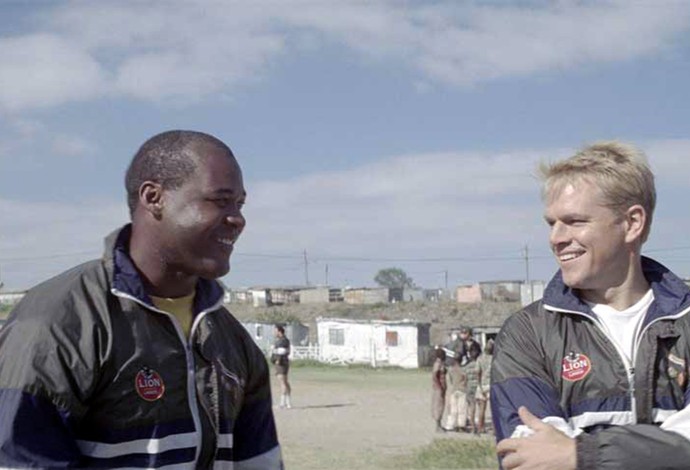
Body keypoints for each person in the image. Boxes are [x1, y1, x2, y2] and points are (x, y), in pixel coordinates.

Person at [0, 130, 283, 469]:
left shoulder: (232, 340)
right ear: (154, 198)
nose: (238, 219)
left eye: (239, 204)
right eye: (220, 201)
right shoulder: (55, 323)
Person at [491, 141, 690, 469]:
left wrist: (581, 455)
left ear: (632, 223)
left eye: (574, 221)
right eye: (551, 223)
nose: (556, 238)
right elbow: (532, 458)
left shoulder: (684, 320)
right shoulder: (528, 333)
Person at [444, 356, 468, 432]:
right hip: (462, 389)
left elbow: (450, 380)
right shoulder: (463, 369)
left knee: (453, 409)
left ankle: (450, 425)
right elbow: (465, 379)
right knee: (462, 408)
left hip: (454, 390)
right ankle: (461, 425)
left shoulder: (451, 370)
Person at [475, 339, 494, 434]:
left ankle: (480, 427)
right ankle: (495, 429)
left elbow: (477, 372)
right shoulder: (494, 359)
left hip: (482, 384)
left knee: (482, 408)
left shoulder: (480, 358)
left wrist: (479, 385)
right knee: (493, 408)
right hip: (491, 385)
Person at [463, 340, 482, 435]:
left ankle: (472, 426)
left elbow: (465, 379)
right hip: (478, 387)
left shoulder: (467, 366)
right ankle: (480, 426)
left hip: (470, 387)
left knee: (471, 407)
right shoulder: (480, 364)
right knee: (480, 407)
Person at [271, 324, 292, 409]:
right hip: (282, 363)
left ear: (279, 331)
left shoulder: (282, 341)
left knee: (282, 382)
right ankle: (288, 402)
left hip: (281, 364)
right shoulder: (282, 340)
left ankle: (283, 403)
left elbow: (281, 352)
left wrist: (278, 360)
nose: (274, 332)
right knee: (285, 382)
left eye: (275, 330)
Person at [431, 348, 448, 432]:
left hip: (442, 387)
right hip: (439, 388)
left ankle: (440, 424)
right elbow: (435, 375)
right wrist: (439, 386)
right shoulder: (438, 364)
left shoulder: (441, 363)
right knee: (439, 406)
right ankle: (438, 426)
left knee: (442, 405)